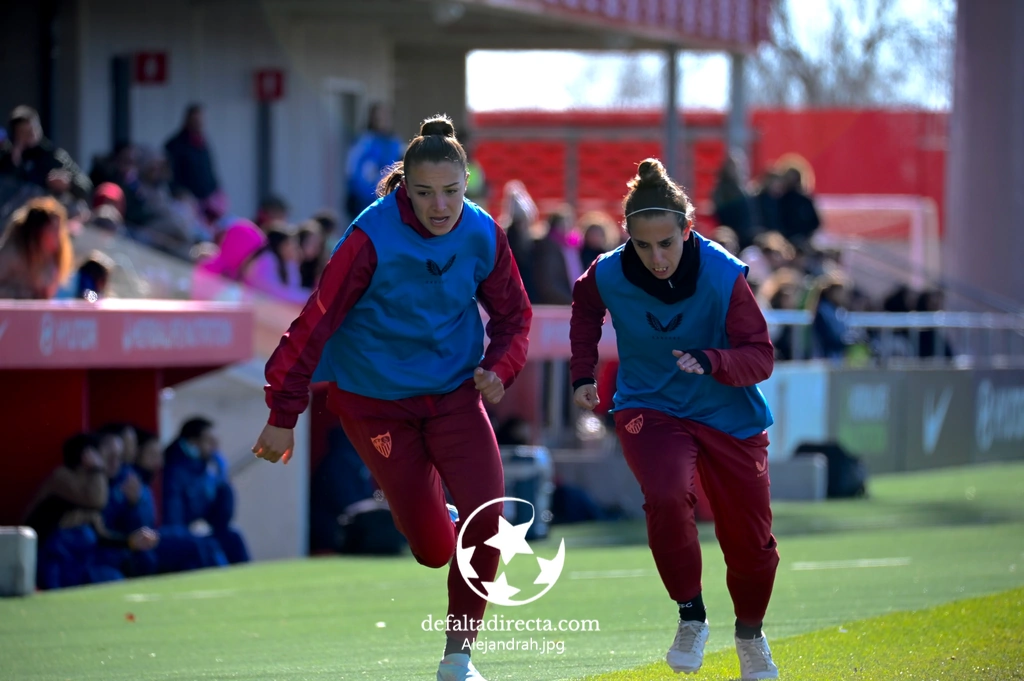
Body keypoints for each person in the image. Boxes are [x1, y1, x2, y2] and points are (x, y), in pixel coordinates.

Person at [252, 114, 532, 681]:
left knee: (491, 518)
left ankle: (458, 659)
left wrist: (500, 367)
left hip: (455, 397)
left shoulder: (482, 233)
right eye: (425, 193)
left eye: (452, 191)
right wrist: (283, 414)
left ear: (467, 184)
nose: (440, 206)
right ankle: (437, 520)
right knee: (432, 548)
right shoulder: (369, 236)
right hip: (375, 406)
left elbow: (514, 316)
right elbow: (314, 325)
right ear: (405, 186)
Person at [569, 158, 780, 679]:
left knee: (751, 545)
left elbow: (761, 357)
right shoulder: (610, 271)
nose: (656, 257)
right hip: (649, 406)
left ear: (688, 230)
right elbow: (584, 307)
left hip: (728, 412)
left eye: (666, 242)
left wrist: (712, 359)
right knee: (665, 495)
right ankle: (691, 617)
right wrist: (582, 374)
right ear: (628, 237)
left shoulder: (725, 275)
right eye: (643, 245)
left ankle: (750, 636)